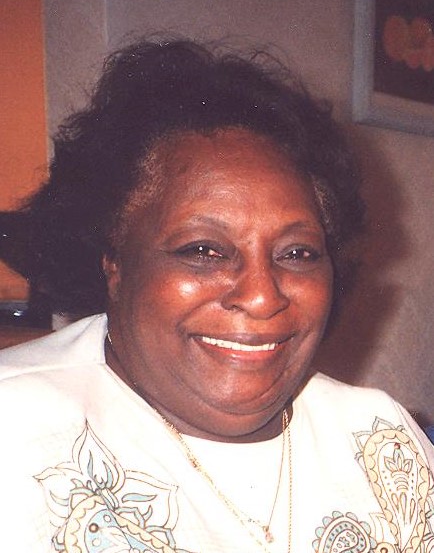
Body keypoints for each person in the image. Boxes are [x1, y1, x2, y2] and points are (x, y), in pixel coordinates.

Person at [0, 37, 433, 553]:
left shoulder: (379, 436)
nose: (262, 297)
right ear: (113, 259)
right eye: (204, 250)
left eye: (297, 253)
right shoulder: (15, 429)